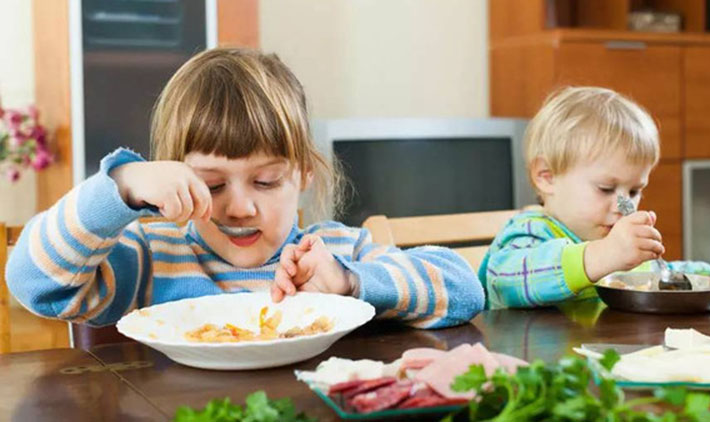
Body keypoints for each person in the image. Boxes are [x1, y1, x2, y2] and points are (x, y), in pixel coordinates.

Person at [5, 48, 484, 328]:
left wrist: (349, 282)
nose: (239, 207)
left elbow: (464, 289)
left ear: (303, 175)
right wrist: (120, 187)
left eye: (267, 181)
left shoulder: (337, 251)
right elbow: (33, 283)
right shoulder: (150, 258)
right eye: (211, 185)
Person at [479, 86, 710, 309]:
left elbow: (658, 274)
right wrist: (601, 256)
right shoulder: (530, 231)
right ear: (547, 176)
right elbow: (506, 280)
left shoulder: (613, 243)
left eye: (634, 191)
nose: (626, 205)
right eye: (606, 189)